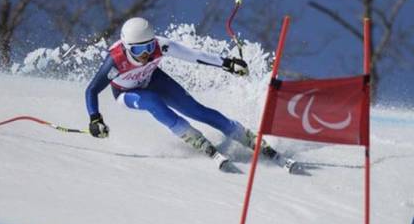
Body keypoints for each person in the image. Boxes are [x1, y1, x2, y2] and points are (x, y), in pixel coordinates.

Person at [84, 17, 292, 171]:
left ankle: (245, 137)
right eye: (139, 51)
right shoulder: (115, 61)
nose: (147, 54)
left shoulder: (160, 45)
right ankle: (194, 138)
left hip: (153, 79)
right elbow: (92, 90)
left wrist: (227, 63)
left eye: (149, 47)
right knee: (153, 102)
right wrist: (95, 118)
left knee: (196, 110)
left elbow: (194, 56)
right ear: (127, 48)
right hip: (127, 92)